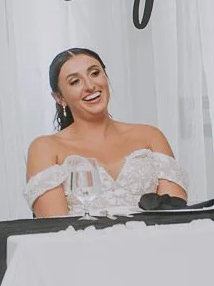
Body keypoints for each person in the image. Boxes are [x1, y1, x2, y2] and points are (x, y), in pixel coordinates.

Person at [25, 48, 188, 216]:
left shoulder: (150, 137)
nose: (89, 86)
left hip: (156, 240)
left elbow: (175, 214)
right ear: (59, 98)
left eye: (94, 73)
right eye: (75, 82)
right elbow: (53, 227)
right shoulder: (45, 148)